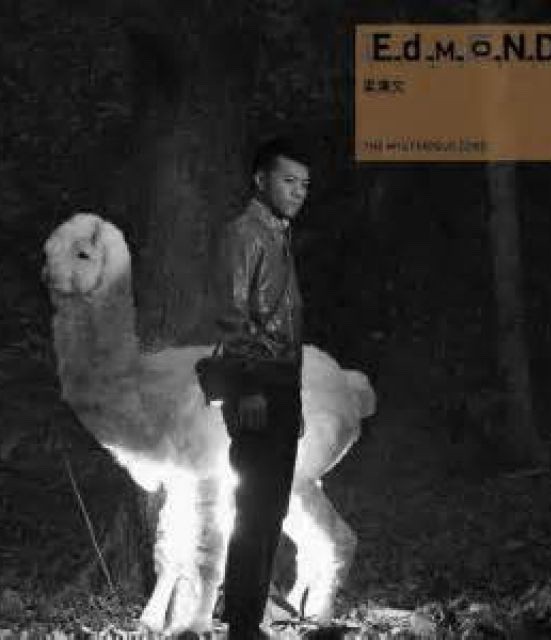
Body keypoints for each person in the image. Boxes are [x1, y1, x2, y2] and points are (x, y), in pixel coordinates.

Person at [215, 137, 310, 639]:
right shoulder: (244, 234)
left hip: (280, 386)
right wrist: (249, 386)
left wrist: (294, 397)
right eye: (288, 181)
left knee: (271, 506)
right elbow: (234, 317)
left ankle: (248, 617)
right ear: (260, 180)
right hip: (257, 387)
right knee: (255, 506)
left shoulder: (278, 235)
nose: (298, 192)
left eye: (304, 184)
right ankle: (242, 624)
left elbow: (283, 321)